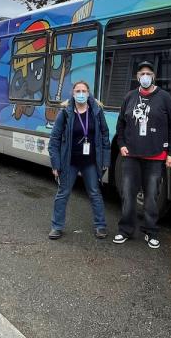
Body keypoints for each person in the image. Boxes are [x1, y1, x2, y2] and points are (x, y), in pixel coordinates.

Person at [113, 61, 171, 249]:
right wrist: (121, 145)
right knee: (128, 194)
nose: (145, 76)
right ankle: (125, 230)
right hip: (131, 156)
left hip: (156, 156)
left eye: (148, 73)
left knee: (151, 197)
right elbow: (121, 124)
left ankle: (150, 232)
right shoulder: (129, 97)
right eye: (142, 73)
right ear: (137, 77)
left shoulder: (164, 97)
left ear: (153, 77)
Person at [48, 80, 110, 240]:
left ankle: (100, 225)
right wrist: (55, 164)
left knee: (95, 193)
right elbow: (54, 139)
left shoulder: (96, 112)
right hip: (70, 161)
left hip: (90, 161)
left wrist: (105, 160)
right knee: (63, 193)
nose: (81, 94)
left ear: (88, 93)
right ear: (73, 94)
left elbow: (104, 135)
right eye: (78, 91)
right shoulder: (65, 113)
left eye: (84, 91)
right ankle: (56, 227)